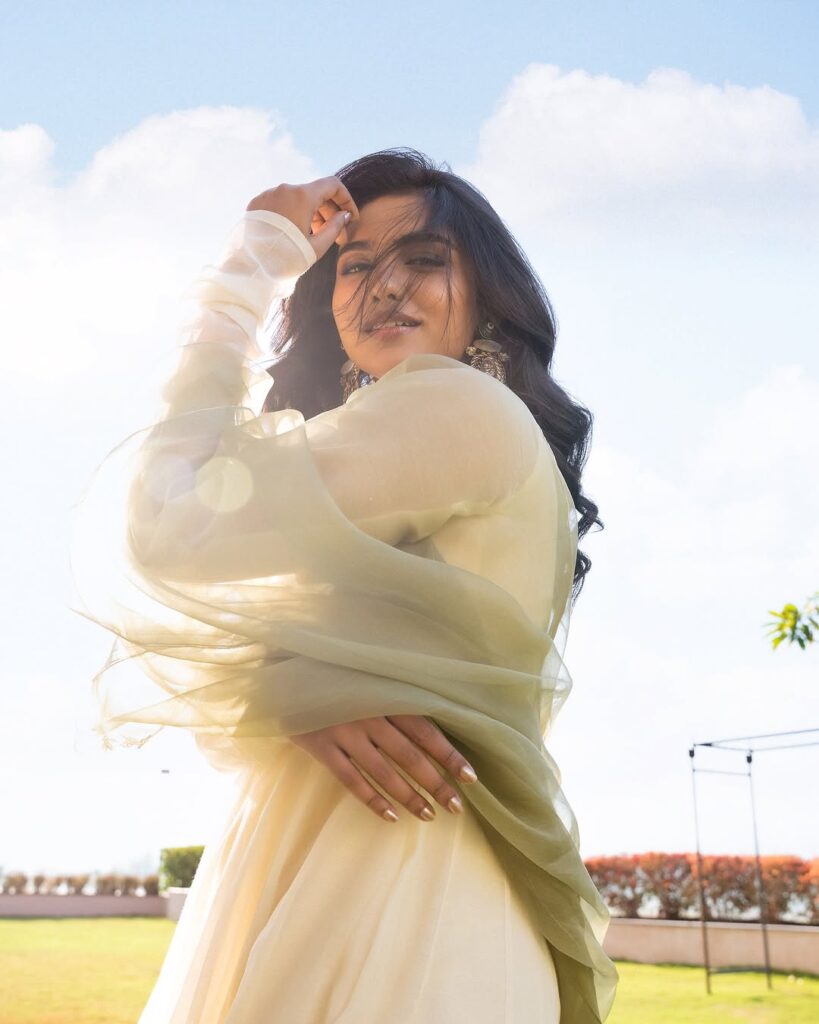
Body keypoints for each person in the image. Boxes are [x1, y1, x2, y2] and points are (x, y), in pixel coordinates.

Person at [70, 148, 619, 1022]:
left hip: (400, 886)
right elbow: (321, 632)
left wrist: (250, 264)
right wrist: (299, 685)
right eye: (355, 266)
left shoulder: (458, 408)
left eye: (424, 259)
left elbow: (171, 527)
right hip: (355, 856)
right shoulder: (410, 432)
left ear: (486, 295)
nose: (386, 285)